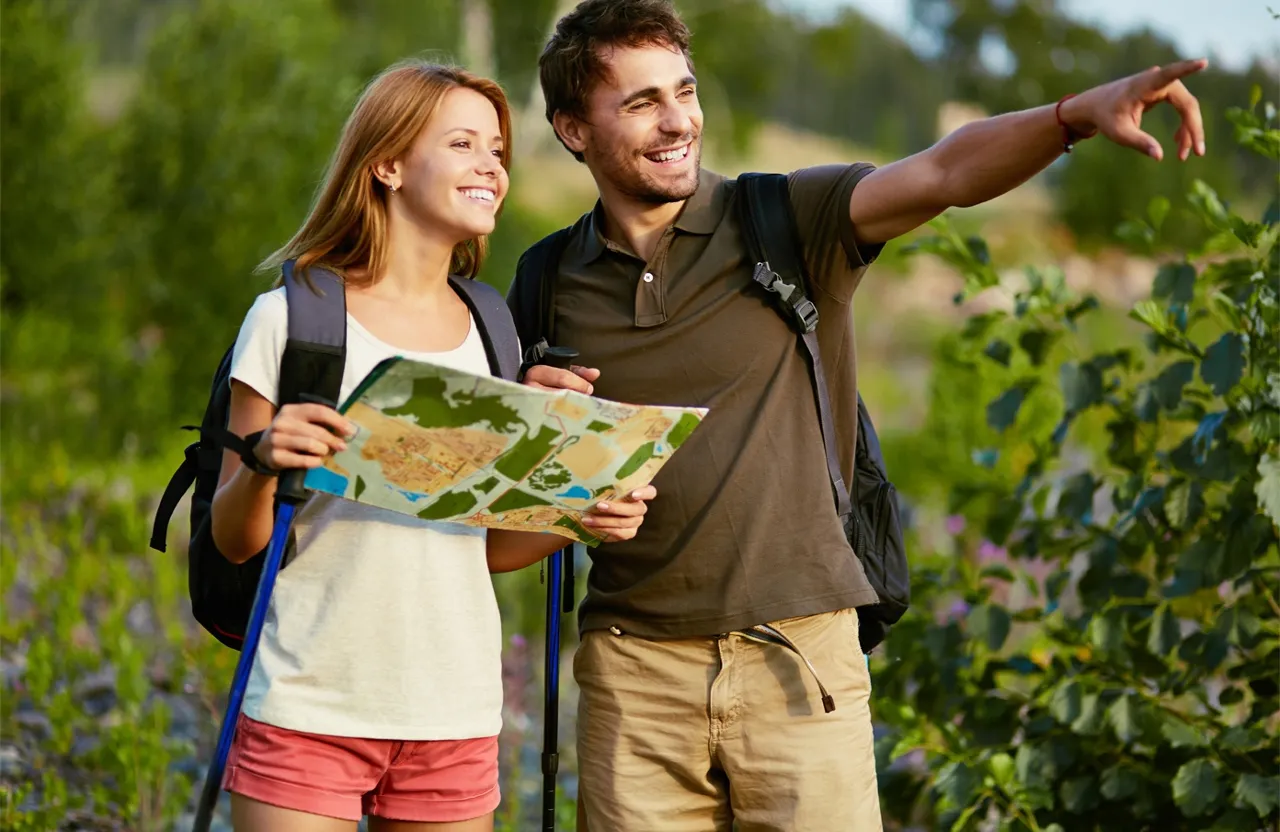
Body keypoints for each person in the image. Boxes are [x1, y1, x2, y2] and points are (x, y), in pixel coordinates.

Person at [513, 1, 1207, 829]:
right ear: (571, 129)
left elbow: (944, 173)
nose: (677, 121)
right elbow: (507, 484)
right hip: (632, 675)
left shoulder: (782, 221)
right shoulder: (548, 277)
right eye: (640, 102)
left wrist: (1072, 118)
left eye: (685, 91)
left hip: (799, 661)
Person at [210, 60, 656, 832]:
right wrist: (263, 465)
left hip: (454, 717)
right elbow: (233, 538)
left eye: (497, 150)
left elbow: (478, 545)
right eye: (462, 144)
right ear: (386, 163)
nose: (490, 166)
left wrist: (579, 516)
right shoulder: (293, 319)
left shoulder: (494, 334)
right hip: (308, 702)